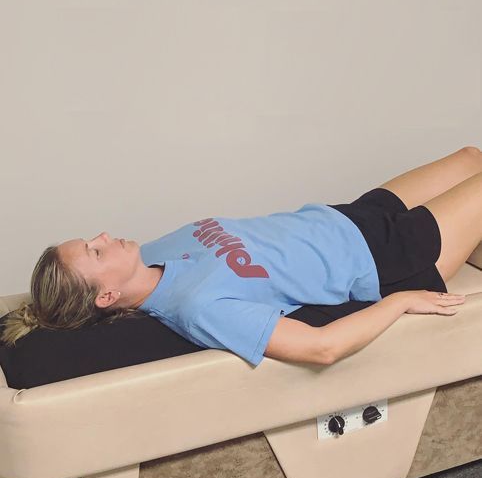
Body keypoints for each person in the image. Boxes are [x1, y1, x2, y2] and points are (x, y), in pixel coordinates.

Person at [1, 146, 480, 366]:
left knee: (470, 159)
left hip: (351, 216)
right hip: (390, 259)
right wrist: (397, 303)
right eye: (94, 250)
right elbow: (321, 348)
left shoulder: (153, 254)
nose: (104, 235)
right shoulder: (196, 308)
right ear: (106, 294)